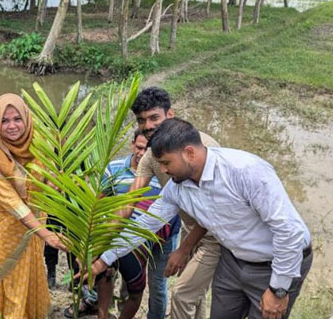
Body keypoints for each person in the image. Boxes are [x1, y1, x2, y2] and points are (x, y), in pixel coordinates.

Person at [91, 118, 313, 319]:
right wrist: (104, 260)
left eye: (166, 163)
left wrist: (279, 288)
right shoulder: (178, 188)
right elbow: (144, 225)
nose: (163, 171)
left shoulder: (246, 171)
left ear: (189, 153)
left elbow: (290, 232)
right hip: (232, 260)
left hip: (275, 264)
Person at [113, 87, 221, 319]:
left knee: (183, 294)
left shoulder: (202, 147)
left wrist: (184, 249)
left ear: (170, 115)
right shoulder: (151, 156)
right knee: (194, 293)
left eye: (154, 118)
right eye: (142, 120)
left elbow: (213, 211)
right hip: (189, 228)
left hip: (218, 233)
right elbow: (129, 202)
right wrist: (101, 236)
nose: (148, 126)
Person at [0, 93, 67, 319]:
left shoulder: (40, 141)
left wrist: (58, 184)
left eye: (17, 119)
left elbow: (47, 178)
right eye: (4, 121)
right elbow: (9, 199)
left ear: (26, 118)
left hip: (34, 217)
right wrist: (45, 234)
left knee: (27, 267)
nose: (11, 126)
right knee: (3, 271)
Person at [93, 130, 181, 319]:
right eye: (140, 147)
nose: (143, 153)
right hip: (118, 230)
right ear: (132, 144)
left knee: (157, 284)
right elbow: (98, 204)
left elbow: (174, 207)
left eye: (149, 149)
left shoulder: (165, 170)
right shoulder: (114, 168)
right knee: (107, 272)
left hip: (160, 234)